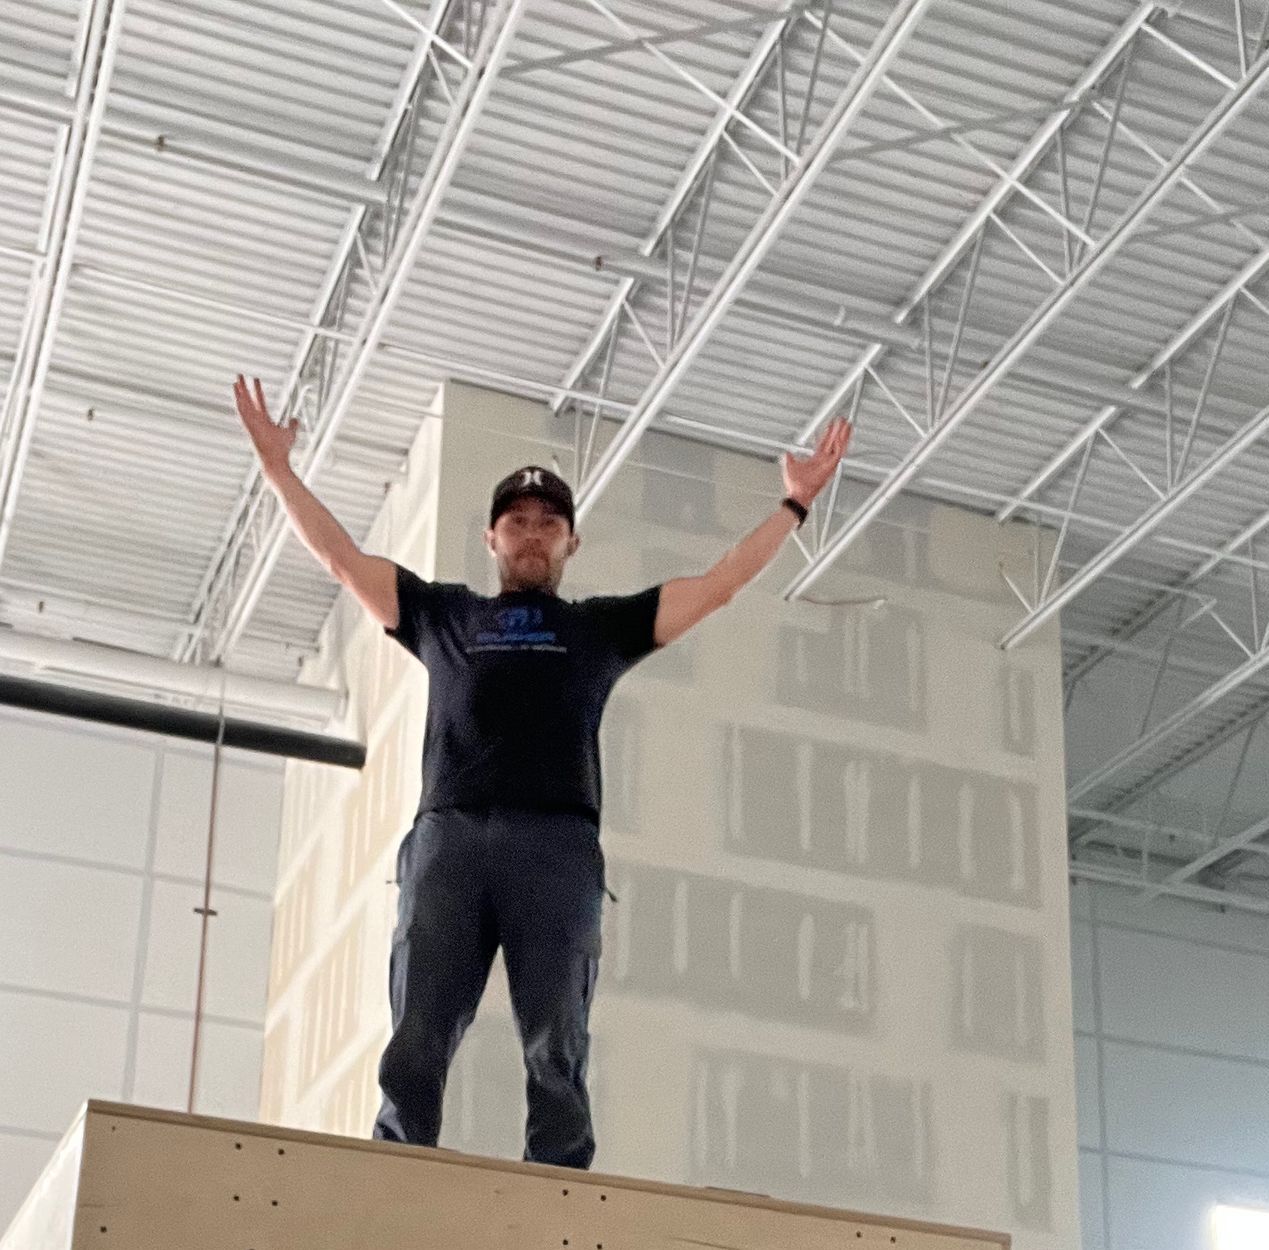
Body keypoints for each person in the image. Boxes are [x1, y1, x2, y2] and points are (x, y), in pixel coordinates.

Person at [233, 375, 851, 1170]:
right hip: (449, 840)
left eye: (548, 523)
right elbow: (339, 558)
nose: (531, 534)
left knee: (555, 1037)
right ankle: (394, 1167)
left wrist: (793, 506)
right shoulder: (444, 614)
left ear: (570, 543)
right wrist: (280, 469)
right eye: (516, 522)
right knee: (419, 1027)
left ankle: (556, 1179)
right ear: (491, 539)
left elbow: (718, 586)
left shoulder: (601, 628)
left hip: (556, 848)